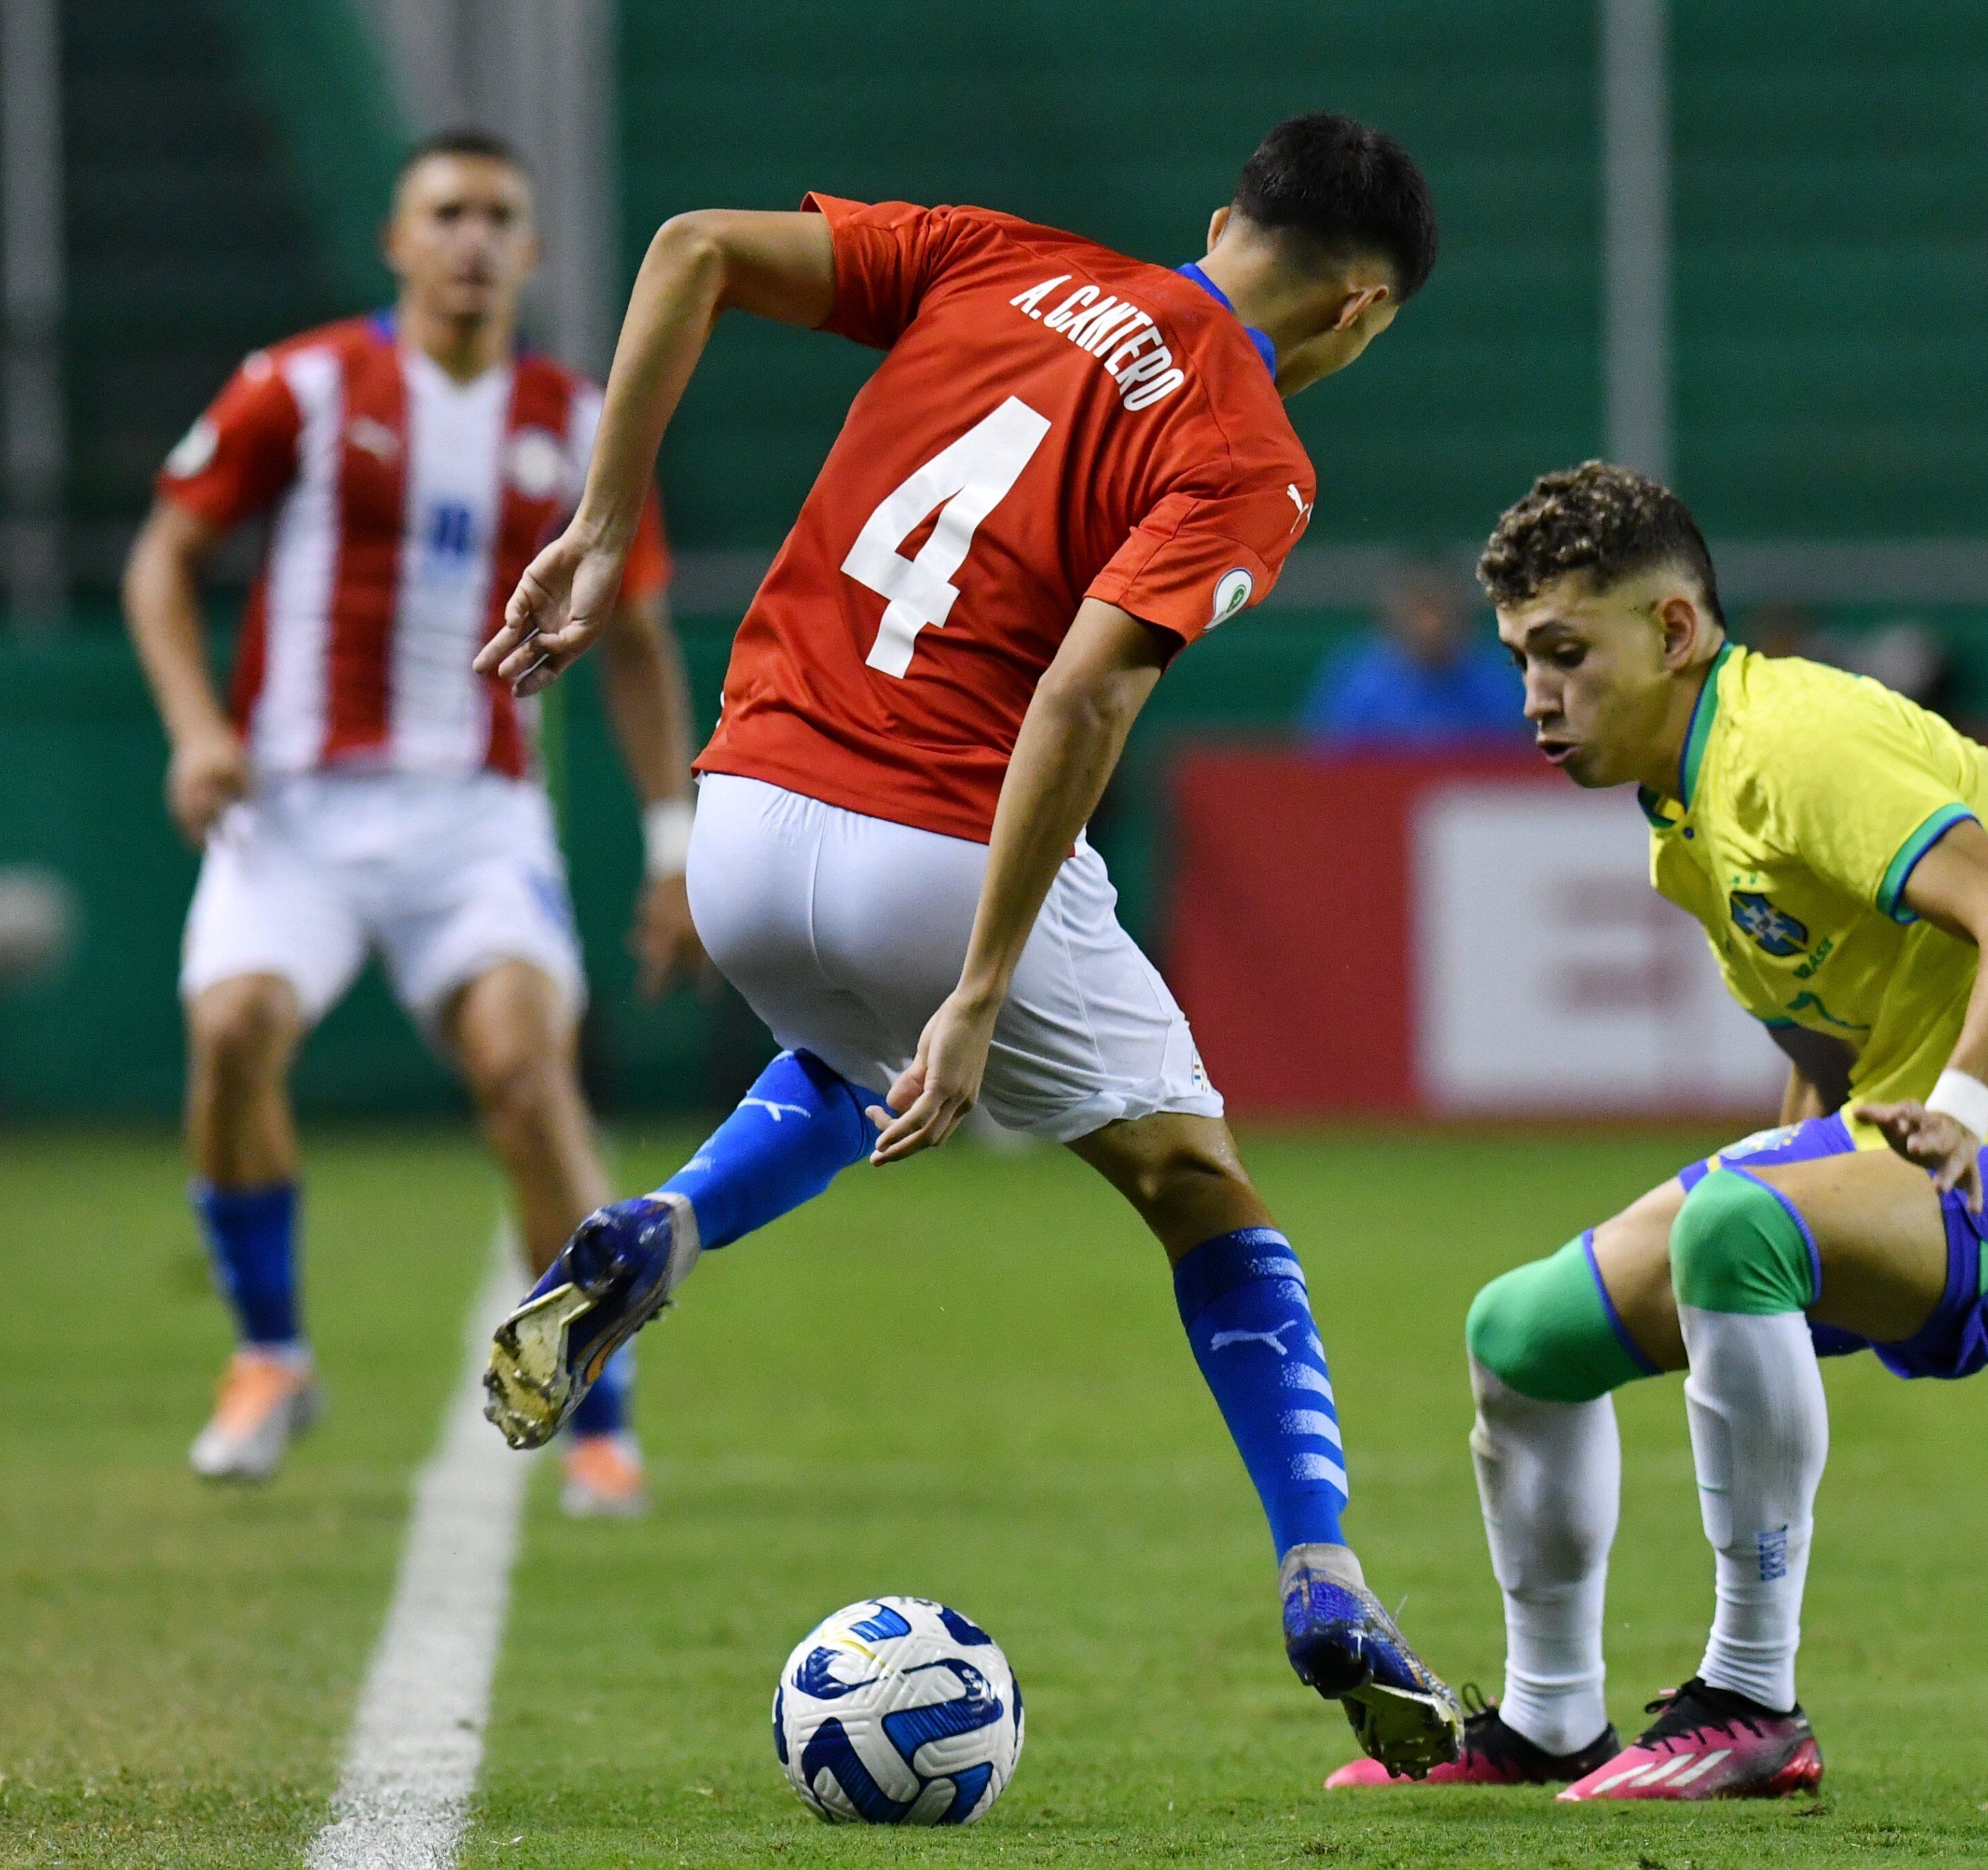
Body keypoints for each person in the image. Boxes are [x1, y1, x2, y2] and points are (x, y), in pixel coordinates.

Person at [465, 114, 1463, 1776]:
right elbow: (1081, 691)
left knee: (847, 1060)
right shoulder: (1250, 452)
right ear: (1361, 312)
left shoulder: (995, 255)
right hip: (936, 842)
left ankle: (663, 1222)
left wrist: (596, 521)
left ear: (1220, 218)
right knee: (1198, 1189)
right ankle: (1326, 1576)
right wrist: (986, 986)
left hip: (745, 824)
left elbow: (691, 250)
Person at [1328, 462, 1988, 1799]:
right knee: (1520, 1334)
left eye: (1567, 653)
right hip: (1913, 1151)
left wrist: (1958, 1113)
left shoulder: (1790, 743)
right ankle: (1546, 1719)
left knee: (1734, 1233)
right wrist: (1801, 1191)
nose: (1533, 699)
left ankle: (1751, 1699)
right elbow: (1824, 1037)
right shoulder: (1679, 817)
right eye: (1519, 660)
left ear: (1675, 633)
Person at [122, 129, 703, 1516]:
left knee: (525, 1074)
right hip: (296, 810)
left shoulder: (575, 422)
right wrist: (199, 731)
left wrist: (673, 846)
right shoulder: (305, 384)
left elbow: (634, 639)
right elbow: (165, 558)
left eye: (500, 215)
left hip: (474, 818)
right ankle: (269, 1357)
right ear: (397, 240)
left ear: (533, 250)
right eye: (445, 212)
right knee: (231, 1030)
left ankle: (596, 1399)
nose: (472, 238)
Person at [1299, 561, 1522, 748]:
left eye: (1439, 610)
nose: (1431, 625)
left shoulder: (1493, 680)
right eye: (1420, 612)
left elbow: (1514, 761)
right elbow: (1328, 762)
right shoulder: (1361, 686)